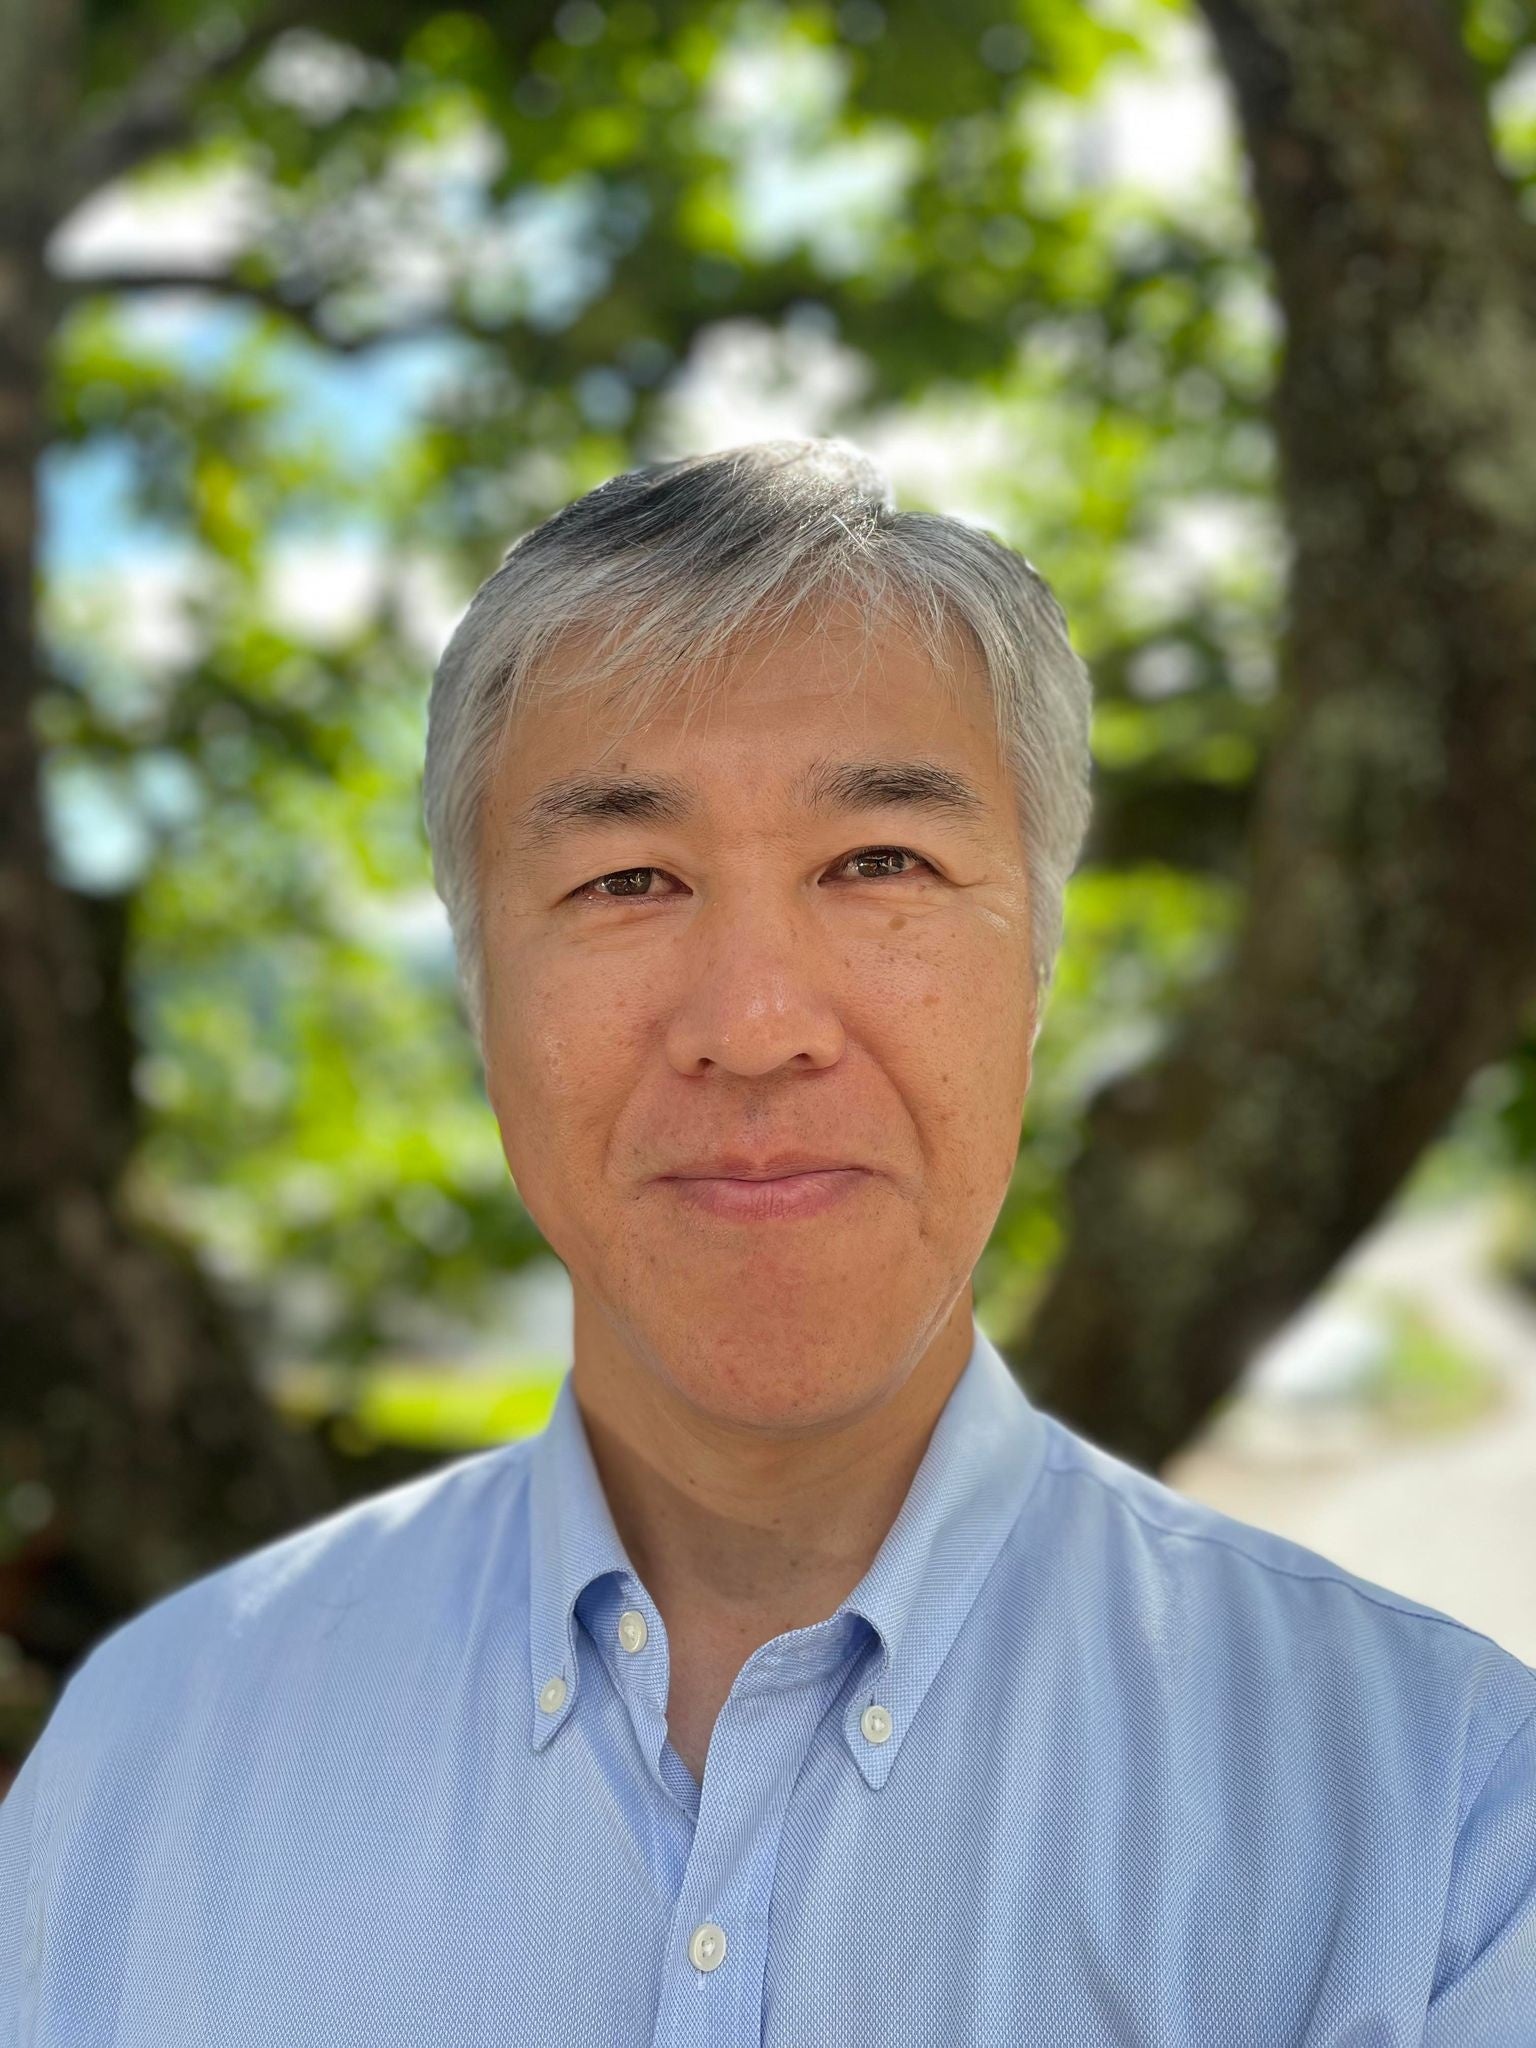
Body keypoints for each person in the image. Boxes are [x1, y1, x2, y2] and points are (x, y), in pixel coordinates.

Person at [3, 438, 1532, 2045]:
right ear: (479, 994)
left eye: (880, 863)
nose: (753, 1025)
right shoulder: (145, 1768)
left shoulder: (1443, 1828)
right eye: (626, 879)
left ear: (1036, 971)